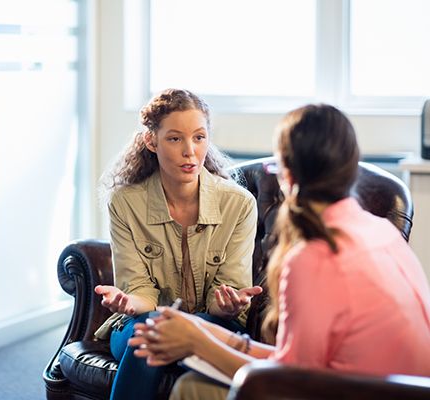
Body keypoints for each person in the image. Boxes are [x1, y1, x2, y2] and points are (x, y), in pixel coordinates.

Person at [130, 103, 430, 400]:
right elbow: (299, 360)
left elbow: (289, 379)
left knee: (190, 387)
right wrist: (207, 332)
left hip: (356, 391)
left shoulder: (314, 257)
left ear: (288, 176)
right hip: (394, 389)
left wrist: (198, 343)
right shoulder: (380, 230)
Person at [93, 88, 262, 400]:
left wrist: (226, 303)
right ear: (151, 141)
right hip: (140, 320)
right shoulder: (125, 202)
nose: (190, 151)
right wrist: (130, 303)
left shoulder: (239, 204)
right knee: (152, 329)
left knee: (169, 334)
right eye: (175, 138)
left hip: (213, 322)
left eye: (199, 137)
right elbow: (139, 290)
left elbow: (227, 294)